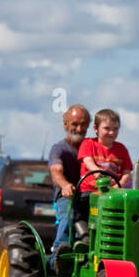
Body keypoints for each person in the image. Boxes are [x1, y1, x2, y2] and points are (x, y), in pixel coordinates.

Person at [47, 103, 90, 268]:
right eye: (75, 124)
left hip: (89, 197)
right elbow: (56, 170)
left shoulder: (92, 148)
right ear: (65, 125)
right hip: (68, 196)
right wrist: (65, 185)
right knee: (69, 215)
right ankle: (57, 260)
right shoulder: (59, 149)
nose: (79, 128)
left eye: (83, 124)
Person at [77, 108, 132, 188]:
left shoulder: (122, 149)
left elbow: (126, 173)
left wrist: (118, 185)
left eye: (115, 129)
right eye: (107, 128)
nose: (111, 132)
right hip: (90, 190)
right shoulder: (88, 143)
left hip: (113, 190)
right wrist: (97, 171)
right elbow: (88, 162)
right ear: (96, 129)